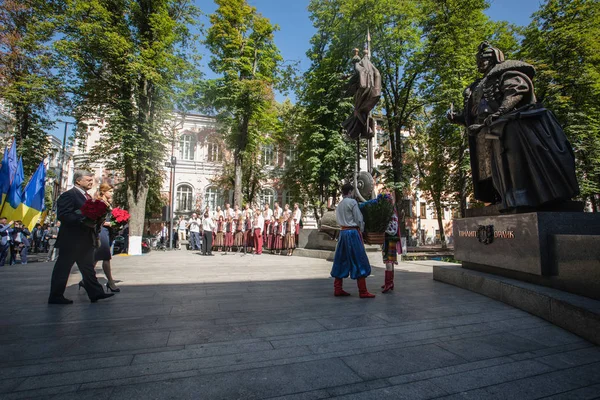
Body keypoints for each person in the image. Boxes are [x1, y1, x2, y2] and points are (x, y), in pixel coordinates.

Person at [447, 42, 578, 211]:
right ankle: (504, 197)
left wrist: (499, 112)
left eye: (484, 59)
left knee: (513, 164)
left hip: (510, 128)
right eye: (478, 60)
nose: (480, 62)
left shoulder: (506, 72)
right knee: (495, 171)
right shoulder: (477, 85)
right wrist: (457, 118)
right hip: (487, 133)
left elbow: (515, 91)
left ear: (495, 57)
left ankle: (522, 197)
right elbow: (475, 115)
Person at [48, 170, 114, 304]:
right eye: (88, 179)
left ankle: (96, 293)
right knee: (63, 267)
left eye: (92, 179)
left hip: (84, 238)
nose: (91, 182)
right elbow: (64, 215)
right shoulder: (69, 195)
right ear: (78, 181)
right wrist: (83, 219)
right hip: (72, 239)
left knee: (87, 267)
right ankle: (55, 296)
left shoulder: (87, 196)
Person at [330, 183, 375, 298]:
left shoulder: (339, 205)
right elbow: (359, 219)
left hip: (343, 233)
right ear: (350, 191)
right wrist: (363, 229)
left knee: (340, 259)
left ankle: (338, 288)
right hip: (352, 233)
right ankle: (363, 291)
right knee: (359, 259)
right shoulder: (352, 202)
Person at [93, 183, 120, 293]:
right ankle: (110, 281)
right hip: (102, 231)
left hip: (107, 232)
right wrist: (110, 223)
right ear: (103, 192)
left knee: (95, 258)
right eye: (110, 191)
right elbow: (98, 218)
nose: (112, 193)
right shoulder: (100, 203)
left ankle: (86, 280)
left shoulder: (107, 203)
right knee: (105, 257)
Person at [381, 199, 400, 293]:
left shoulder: (390, 215)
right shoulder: (393, 214)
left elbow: (392, 230)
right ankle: (390, 282)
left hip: (389, 239)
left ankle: (389, 283)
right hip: (390, 240)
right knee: (390, 261)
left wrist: (383, 230)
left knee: (388, 261)